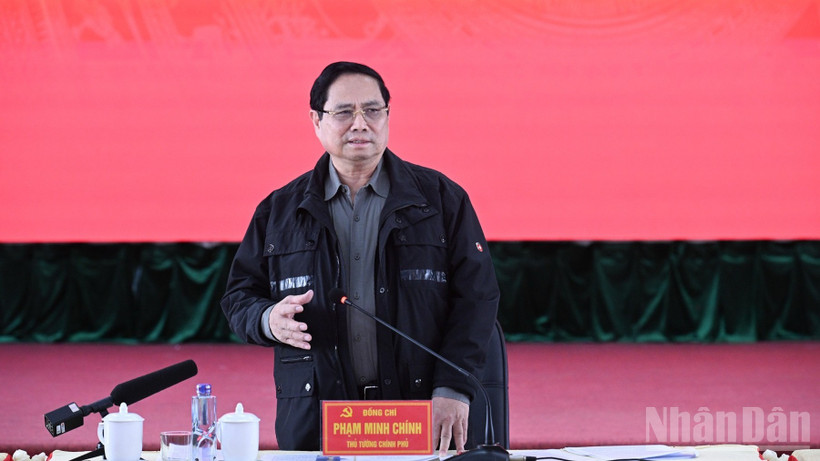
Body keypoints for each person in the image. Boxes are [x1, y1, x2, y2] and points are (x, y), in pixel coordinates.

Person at [220, 61, 499, 455]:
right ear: (316, 121)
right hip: (317, 416)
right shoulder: (279, 211)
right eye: (344, 112)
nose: (360, 124)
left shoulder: (441, 200)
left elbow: (477, 299)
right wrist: (268, 320)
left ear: (388, 115)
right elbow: (239, 297)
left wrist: (454, 385)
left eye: (372, 110)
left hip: (420, 410)